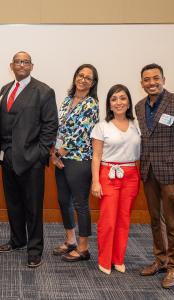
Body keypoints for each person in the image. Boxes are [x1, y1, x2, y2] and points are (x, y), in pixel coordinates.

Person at [135, 63, 174, 288]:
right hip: (149, 171)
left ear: (164, 79)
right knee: (155, 220)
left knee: (172, 221)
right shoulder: (140, 106)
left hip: (173, 172)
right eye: (146, 79)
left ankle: (173, 267)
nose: (151, 82)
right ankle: (160, 260)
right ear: (141, 82)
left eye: (156, 78)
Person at [0, 51, 58, 268]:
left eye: (26, 62)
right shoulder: (5, 89)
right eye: (18, 62)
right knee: (13, 204)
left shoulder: (44, 91)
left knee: (33, 207)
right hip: (7, 157)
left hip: (31, 160)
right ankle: (17, 240)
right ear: (11, 65)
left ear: (32, 66)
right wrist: (0, 151)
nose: (21, 65)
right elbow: (1, 122)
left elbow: (50, 126)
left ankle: (35, 249)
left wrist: (39, 154)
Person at [51, 64, 99, 262]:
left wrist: (59, 153)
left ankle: (83, 248)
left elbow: (81, 133)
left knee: (80, 204)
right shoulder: (68, 100)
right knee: (64, 201)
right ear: (75, 77)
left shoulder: (91, 104)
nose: (83, 79)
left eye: (89, 77)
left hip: (79, 160)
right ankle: (70, 240)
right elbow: (58, 128)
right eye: (81, 75)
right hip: (61, 159)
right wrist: (53, 153)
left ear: (93, 83)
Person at [91, 84, 141, 274]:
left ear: (128, 102)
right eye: (114, 99)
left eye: (122, 98)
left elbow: (139, 155)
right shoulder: (101, 127)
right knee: (108, 220)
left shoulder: (137, 126)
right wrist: (96, 181)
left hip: (131, 176)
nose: (118, 102)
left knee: (124, 219)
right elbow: (96, 156)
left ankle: (118, 258)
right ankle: (104, 260)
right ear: (109, 104)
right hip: (108, 174)